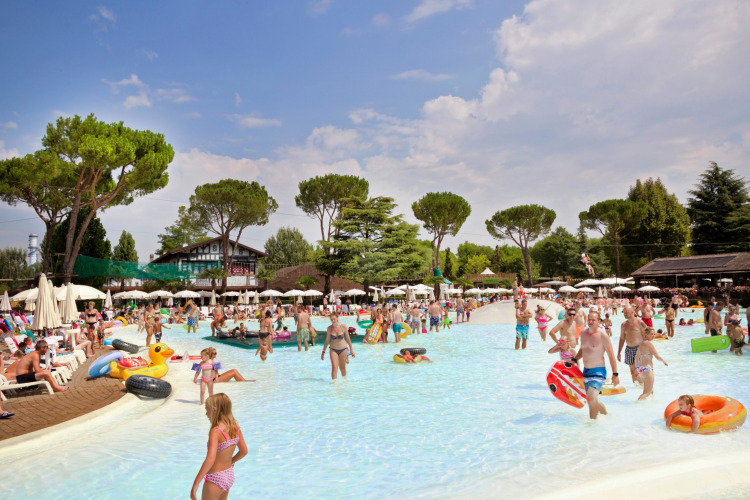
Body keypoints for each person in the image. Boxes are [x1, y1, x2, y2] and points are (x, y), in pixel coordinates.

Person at [191, 393, 248, 500]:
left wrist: (196, 483)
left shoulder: (216, 431)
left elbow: (210, 459)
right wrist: (231, 461)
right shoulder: (235, 426)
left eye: (207, 409)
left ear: (214, 409)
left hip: (215, 479)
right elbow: (244, 451)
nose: (206, 413)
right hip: (229, 475)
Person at [573, 310, 619, 420]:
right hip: (586, 371)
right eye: (589, 319)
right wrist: (574, 359)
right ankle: (607, 416)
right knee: (593, 399)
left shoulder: (603, 335)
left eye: (593, 320)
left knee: (591, 397)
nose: (590, 321)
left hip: (599, 371)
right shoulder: (583, 333)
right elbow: (583, 349)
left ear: (599, 322)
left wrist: (615, 374)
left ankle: (592, 424)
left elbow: (611, 356)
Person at [634, 327, 668, 400]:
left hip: (640, 369)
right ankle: (635, 406)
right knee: (646, 393)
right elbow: (657, 356)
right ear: (646, 334)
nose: (653, 336)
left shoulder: (641, 343)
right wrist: (664, 361)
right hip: (647, 369)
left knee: (650, 391)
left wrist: (636, 369)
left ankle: (649, 407)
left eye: (654, 334)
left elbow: (636, 357)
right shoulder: (649, 344)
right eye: (651, 334)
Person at [321, 312, 355, 380]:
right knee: (334, 367)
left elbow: (348, 339)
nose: (333, 321)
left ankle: (344, 381)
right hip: (333, 349)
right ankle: (334, 386)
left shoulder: (343, 327)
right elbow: (327, 340)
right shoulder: (329, 328)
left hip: (343, 349)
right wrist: (323, 352)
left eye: (334, 319)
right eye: (331, 319)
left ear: (337, 318)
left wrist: (351, 350)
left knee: (342, 368)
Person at [617, 305, 646, 383]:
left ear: (633, 312)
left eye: (626, 312)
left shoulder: (640, 322)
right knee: (632, 371)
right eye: (624, 312)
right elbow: (622, 338)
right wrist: (619, 352)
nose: (625, 314)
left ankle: (644, 387)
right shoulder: (623, 325)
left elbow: (647, 334)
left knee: (639, 371)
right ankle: (636, 388)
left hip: (639, 349)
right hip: (629, 349)